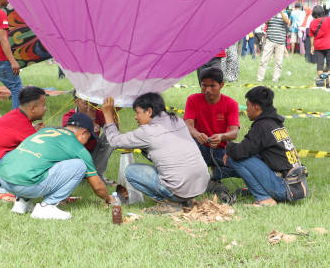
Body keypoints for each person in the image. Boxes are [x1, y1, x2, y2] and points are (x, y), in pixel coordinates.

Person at [100, 93, 209, 214]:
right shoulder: (178, 121)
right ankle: (185, 201)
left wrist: (108, 116)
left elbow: (115, 141)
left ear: (149, 111)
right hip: (200, 185)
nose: (135, 117)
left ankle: (171, 204)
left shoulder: (148, 132)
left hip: (178, 188)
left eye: (137, 112)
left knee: (131, 171)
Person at [0, 113, 116, 220]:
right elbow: (97, 187)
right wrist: (109, 198)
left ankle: (22, 202)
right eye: (89, 137)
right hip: (26, 185)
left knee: (37, 161)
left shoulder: (46, 131)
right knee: (80, 166)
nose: (87, 142)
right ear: (84, 133)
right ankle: (47, 207)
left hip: (4, 179)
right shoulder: (77, 147)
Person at [223, 86, 305, 207]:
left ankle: (263, 198)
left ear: (256, 106)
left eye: (248, 105)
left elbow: (240, 152)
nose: (246, 110)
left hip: (284, 188)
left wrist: (228, 147)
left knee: (234, 158)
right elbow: (250, 149)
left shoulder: (262, 126)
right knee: (248, 155)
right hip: (298, 185)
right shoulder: (275, 123)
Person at [0, 86, 47, 201]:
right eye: (43, 105)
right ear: (33, 108)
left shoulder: (17, 116)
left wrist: (34, 130)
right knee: (30, 153)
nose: (46, 108)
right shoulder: (21, 124)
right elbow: (43, 148)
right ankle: (5, 192)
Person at [184, 67, 239, 202]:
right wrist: (197, 134)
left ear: (222, 85)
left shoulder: (231, 104)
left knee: (243, 168)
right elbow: (187, 125)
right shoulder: (192, 100)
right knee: (184, 160)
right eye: (204, 85)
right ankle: (205, 180)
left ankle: (213, 179)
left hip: (222, 150)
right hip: (199, 147)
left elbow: (234, 132)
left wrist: (221, 136)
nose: (207, 90)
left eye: (212, 86)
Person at [62, 91, 116, 185]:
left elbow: (114, 134)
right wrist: (90, 121)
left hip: (92, 152)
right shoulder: (69, 117)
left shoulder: (98, 113)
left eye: (92, 102)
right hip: (76, 155)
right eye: (85, 103)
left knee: (110, 137)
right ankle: (78, 176)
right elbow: (74, 142)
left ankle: (98, 176)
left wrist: (112, 115)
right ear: (76, 101)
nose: (89, 106)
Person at [257, 10, 290, 83]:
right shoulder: (270, 13)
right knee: (264, 60)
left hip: (280, 42)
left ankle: (275, 79)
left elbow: (287, 21)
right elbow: (266, 21)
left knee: (278, 62)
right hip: (270, 41)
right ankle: (260, 78)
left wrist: (281, 12)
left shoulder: (284, 14)